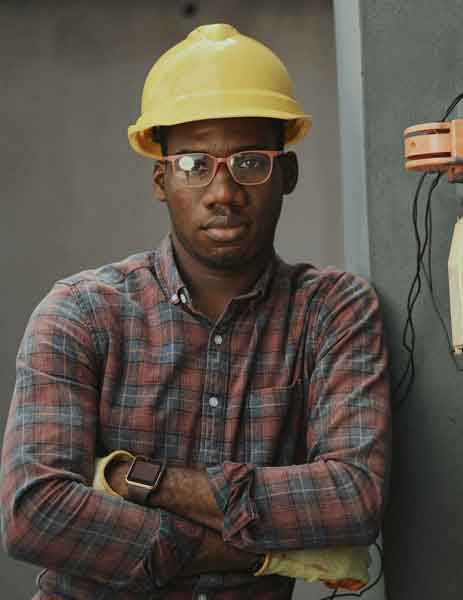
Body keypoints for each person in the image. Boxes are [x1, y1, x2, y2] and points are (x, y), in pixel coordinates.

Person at [0, 24, 390, 600]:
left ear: (287, 174)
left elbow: (353, 498)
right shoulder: (80, 314)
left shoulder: (332, 312)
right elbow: (35, 513)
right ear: (161, 180)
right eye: (193, 165)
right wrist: (252, 553)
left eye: (250, 162)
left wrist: (143, 480)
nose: (223, 191)